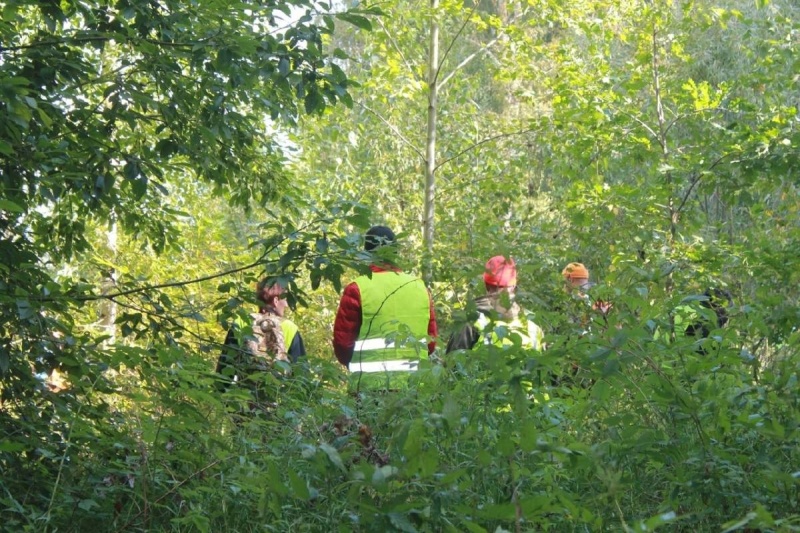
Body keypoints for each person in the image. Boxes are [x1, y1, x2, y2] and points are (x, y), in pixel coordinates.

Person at [332, 225, 437, 390]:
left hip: (368, 388)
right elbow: (430, 343)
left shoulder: (357, 288)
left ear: (366, 254)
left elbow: (343, 344)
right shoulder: (420, 288)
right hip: (414, 388)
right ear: (395, 253)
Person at [216, 279, 306, 399]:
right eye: (285, 300)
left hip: (244, 405)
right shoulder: (290, 328)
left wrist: (222, 403)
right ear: (276, 300)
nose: (286, 305)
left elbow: (224, 371)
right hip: (278, 408)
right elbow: (301, 377)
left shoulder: (241, 322)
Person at [446, 255, 544, 353]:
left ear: (485, 285)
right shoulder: (533, 323)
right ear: (513, 286)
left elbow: (453, 362)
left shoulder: (470, 321)